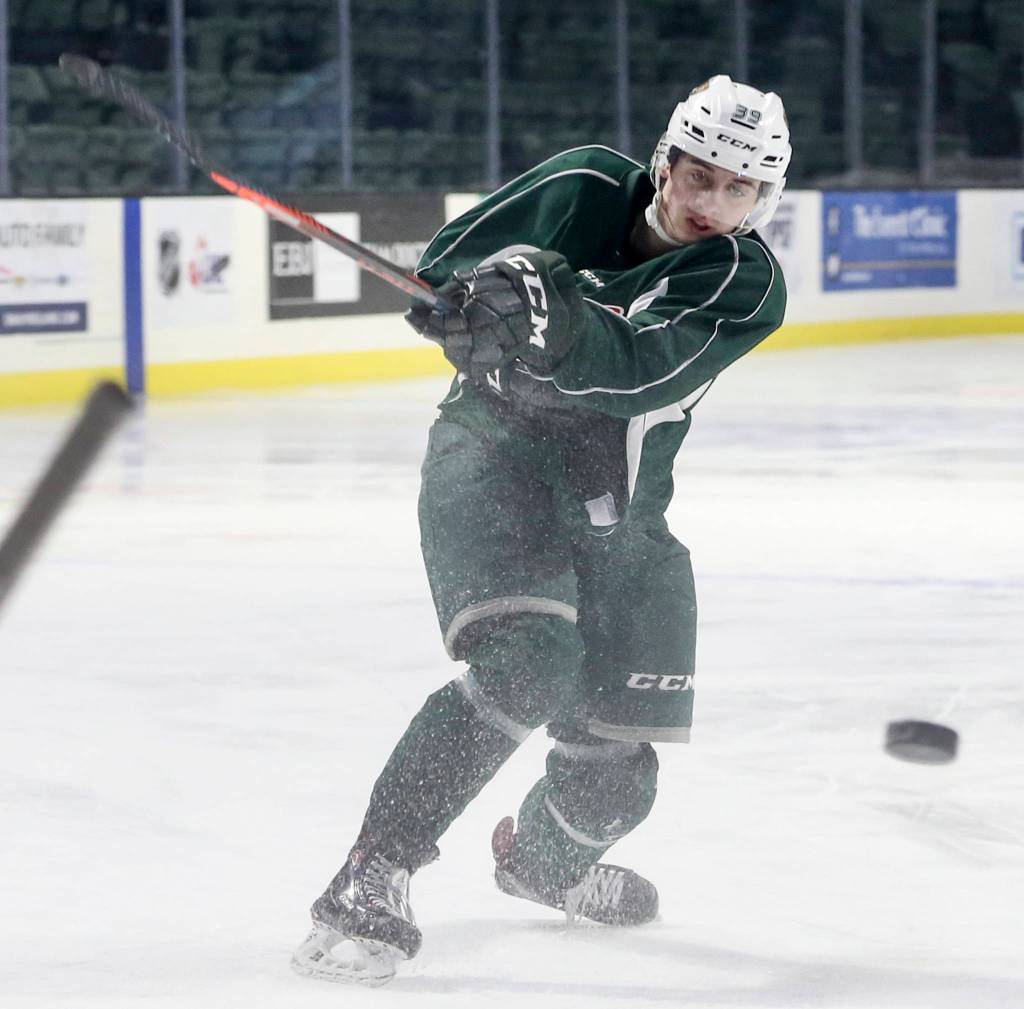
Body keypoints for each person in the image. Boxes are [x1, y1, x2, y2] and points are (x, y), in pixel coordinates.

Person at [292, 75, 792, 986]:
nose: (712, 203)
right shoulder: (586, 186)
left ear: (765, 198)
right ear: (665, 163)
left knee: (620, 763)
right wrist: (469, 306)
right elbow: (446, 268)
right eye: (699, 175)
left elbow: (633, 372)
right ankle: (372, 873)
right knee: (528, 662)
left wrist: (540, 311)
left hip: (623, 511)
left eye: (738, 188)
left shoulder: (740, 281)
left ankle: (543, 866)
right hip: (494, 453)